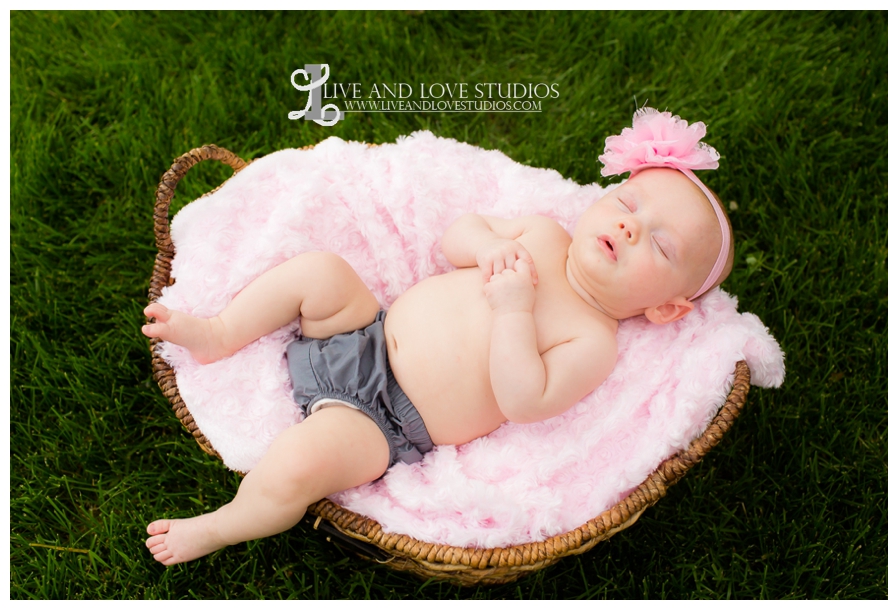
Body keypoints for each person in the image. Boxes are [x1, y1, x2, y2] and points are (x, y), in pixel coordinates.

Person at [141, 108, 734, 566]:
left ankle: (220, 525)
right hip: (364, 328)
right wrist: (486, 246)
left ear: (666, 308)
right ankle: (220, 333)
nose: (632, 225)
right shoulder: (544, 234)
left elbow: (525, 401)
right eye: (630, 201)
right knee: (320, 271)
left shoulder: (592, 341)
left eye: (659, 244)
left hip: (384, 421)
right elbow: (456, 239)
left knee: (295, 465)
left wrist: (513, 312)